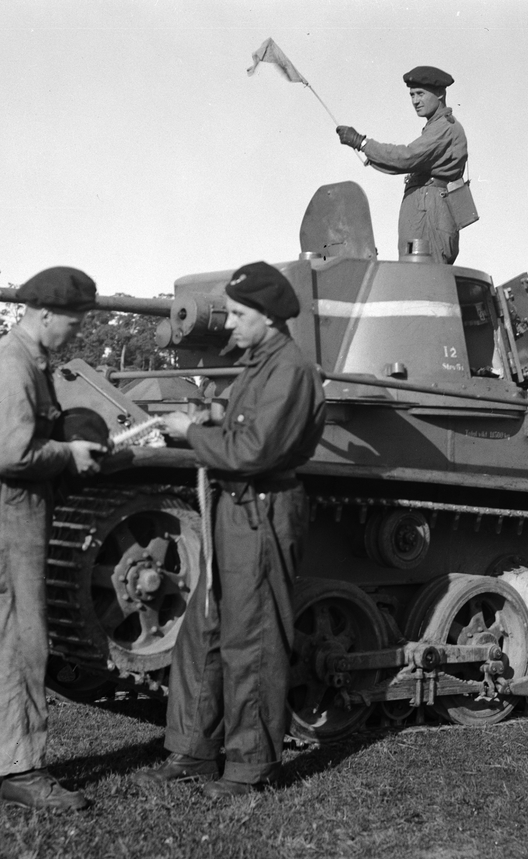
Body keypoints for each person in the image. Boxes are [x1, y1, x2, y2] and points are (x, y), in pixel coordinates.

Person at [132, 261, 326, 798]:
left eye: (239, 315)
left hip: (259, 512)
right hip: (234, 512)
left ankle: (248, 767)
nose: (231, 324)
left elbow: (253, 452)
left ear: (267, 317)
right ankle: (194, 751)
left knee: (254, 640)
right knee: (205, 633)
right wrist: (217, 413)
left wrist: (191, 431)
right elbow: (247, 427)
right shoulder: (260, 366)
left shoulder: (289, 369)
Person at [0, 266, 105, 812]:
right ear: (44, 314)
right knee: (22, 636)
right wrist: (71, 454)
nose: (77, 331)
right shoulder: (12, 365)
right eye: (74, 321)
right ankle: (22, 769)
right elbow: (11, 455)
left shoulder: (21, 361)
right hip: (6, 509)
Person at [336, 66, 468, 262]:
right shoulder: (436, 126)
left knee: (422, 278)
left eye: (420, 94)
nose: (415, 101)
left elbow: (407, 157)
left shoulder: (444, 128)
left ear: (440, 93)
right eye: (412, 95)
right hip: (425, 209)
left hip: (429, 213)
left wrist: (361, 143)